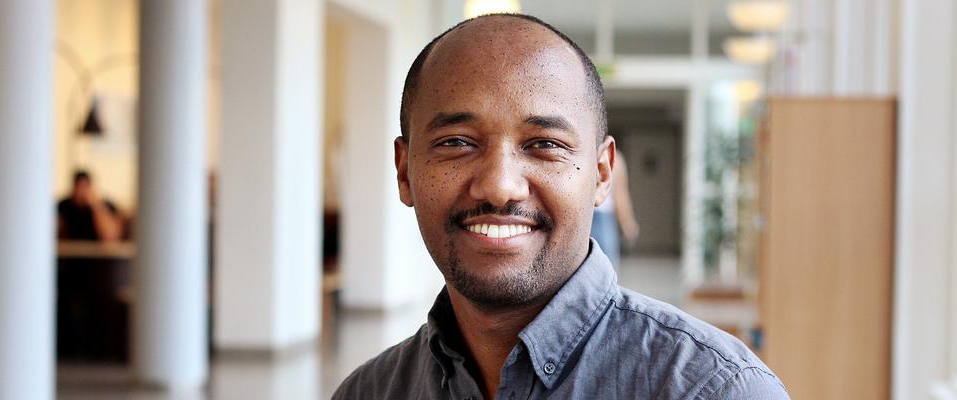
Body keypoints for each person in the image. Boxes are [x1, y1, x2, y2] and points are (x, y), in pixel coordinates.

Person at [333, 14, 788, 400]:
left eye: (544, 144)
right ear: (406, 171)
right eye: (456, 142)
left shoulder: (712, 389)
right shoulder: (369, 391)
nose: (499, 187)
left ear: (602, 174)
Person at [591, 148, 640, 268]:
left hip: (593, 216)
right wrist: (627, 222)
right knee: (607, 266)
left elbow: (619, 194)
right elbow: (620, 194)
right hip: (602, 218)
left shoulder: (583, 152)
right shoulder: (615, 158)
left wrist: (627, 221)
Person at [57, 170, 123, 242]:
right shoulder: (63, 206)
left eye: (85, 187)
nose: (82, 192)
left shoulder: (105, 205)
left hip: (98, 251)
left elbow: (110, 237)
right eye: (79, 187)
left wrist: (96, 205)